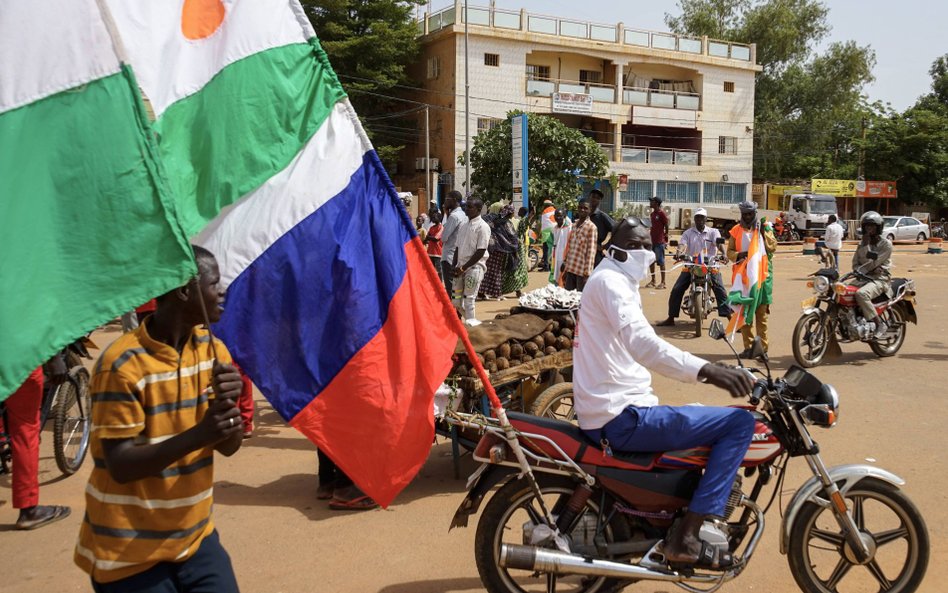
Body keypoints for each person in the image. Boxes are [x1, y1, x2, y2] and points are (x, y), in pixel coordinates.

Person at [573, 216, 755, 569]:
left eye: (647, 244)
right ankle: (686, 536)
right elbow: (645, 345)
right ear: (617, 250)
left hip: (617, 408)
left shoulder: (617, 281)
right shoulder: (611, 282)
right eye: (636, 245)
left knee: (700, 417)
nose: (645, 252)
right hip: (621, 416)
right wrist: (708, 370)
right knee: (738, 424)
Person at [75, 245, 244, 592]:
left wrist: (230, 407)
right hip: (129, 551)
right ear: (184, 291)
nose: (223, 290)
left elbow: (228, 446)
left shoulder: (214, 351)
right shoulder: (122, 364)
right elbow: (121, 465)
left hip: (195, 537)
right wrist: (201, 433)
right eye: (214, 283)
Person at [2, 360, 71, 530]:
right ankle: (29, 510)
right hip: (19, 361)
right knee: (25, 431)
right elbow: (39, 332)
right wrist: (55, 360)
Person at [656, 208, 731, 327]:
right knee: (677, 289)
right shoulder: (688, 233)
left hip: (710, 265)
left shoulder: (713, 232)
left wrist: (724, 254)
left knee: (720, 290)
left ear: (706, 219)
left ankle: (730, 318)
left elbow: (719, 243)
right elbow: (682, 244)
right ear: (694, 219)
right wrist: (679, 252)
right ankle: (671, 318)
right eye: (697, 217)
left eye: (702, 217)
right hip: (692, 265)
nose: (700, 219)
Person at [727, 201, 777, 358]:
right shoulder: (735, 230)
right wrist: (738, 255)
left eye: (750, 214)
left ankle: (763, 350)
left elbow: (772, 247)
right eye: (744, 214)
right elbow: (730, 252)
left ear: (755, 214)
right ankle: (748, 347)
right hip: (743, 280)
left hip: (762, 279)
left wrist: (763, 233)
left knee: (761, 317)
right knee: (744, 314)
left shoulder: (765, 228)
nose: (747, 217)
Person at [852, 211, 893, 339]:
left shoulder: (885, 244)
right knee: (841, 291)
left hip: (880, 279)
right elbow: (855, 264)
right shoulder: (862, 244)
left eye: (872, 226)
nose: (869, 229)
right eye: (867, 226)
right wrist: (860, 270)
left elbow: (871, 264)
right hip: (863, 278)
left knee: (861, 294)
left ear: (879, 228)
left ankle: (879, 324)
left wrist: (865, 246)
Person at [453, 197, 491, 325]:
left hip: (474, 268)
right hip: (459, 268)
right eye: (466, 206)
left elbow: (480, 251)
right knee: (456, 301)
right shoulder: (463, 226)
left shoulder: (483, 227)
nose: (466, 209)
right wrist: (455, 266)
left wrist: (464, 267)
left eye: (470, 207)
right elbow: (457, 247)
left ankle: (472, 329)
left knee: (469, 299)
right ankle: (473, 323)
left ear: (479, 209)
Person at [480, 204, 519, 300]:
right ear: (511, 213)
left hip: (490, 248)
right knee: (496, 272)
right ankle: (497, 293)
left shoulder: (493, 219)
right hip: (500, 250)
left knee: (487, 271)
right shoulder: (507, 223)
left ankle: (481, 292)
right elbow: (513, 237)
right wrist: (515, 247)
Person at [560, 199, 597, 291]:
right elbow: (570, 247)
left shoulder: (591, 227)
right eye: (580, 207)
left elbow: (591, 252)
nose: (582, 210)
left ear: (590, 210)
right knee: (568, 298)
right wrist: (566, 266)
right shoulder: (574, 225)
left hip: (582, 272)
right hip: (571, 268)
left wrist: (587, 274)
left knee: (580, 300)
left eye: (585, 208)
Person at [440, 191, 467, 297]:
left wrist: (447, 215)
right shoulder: (463, 215)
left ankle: (454, 312)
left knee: (450, 288)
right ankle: (457, 311)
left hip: (449, 257)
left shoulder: (454, 217)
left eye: (447, 199)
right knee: (457, 289)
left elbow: (443, 237)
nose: (445, 202)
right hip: (458, 256)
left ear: (454, 200)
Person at [502, 206, 531, 297]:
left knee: (512, 269)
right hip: (515, 248)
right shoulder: (511, 222)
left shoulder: (507, 222)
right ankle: (516, 291)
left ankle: (504, 290)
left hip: (509, 248)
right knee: (516, 269)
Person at [588, 188, 616, 266]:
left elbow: (618, 230)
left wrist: (605, 246)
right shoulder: (583, 214)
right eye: (593, 196)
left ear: (600, 201)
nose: (595, 199)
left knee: (594, 275)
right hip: (582, 249)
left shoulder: (602, 216)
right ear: (589, 197)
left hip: (595, 252)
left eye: (598, 198)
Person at [646, 196, 669, 289]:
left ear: (657, 203)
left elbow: (666, 224)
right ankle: (653, 280)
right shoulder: (652, 214)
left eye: (652, 201)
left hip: (659, 242)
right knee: (651, 261)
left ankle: (663, 282)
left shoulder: (661, 214)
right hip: (652, 241)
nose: (650, 203)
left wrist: (666, 234)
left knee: (661, 262)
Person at [550, 208, 572, 286]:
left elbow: (570, 244)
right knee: (556, 277)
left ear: (564, 216)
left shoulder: (569, 228)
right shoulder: (555, 228)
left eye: (560, 216)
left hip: (564, 258)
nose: (558, 218)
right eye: (556, 216)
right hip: (556, 258)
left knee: (564, 279)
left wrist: (566, 260)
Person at [424, 211, 444, 282]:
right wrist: (429, 237)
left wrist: (429, 237)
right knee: (431, 269)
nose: (433, 218)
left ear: (439, 218)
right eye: (433, 217)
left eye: (435, 217)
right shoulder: (432, 227)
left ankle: (440, 283)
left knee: (439, 270)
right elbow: (427, 237)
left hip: (438, 253)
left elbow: (436, 238)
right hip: (430, 252)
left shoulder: (441, 227)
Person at [538, 199, 556, 271]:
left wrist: (539, 233)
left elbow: (543, 224)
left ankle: (546, 266)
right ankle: (552, 265)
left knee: (545, 250)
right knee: (552, 250)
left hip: (546, 233)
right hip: (555, 231)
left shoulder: (544, 212)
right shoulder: (555, 210)